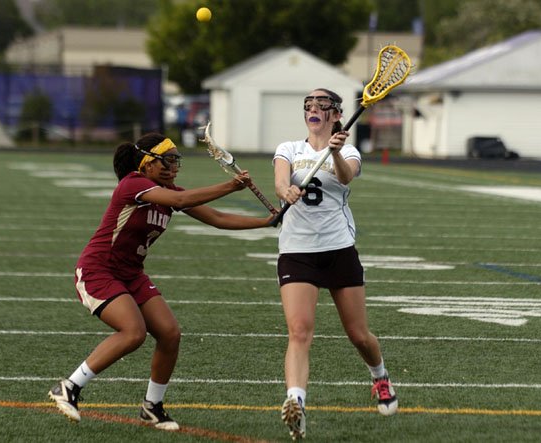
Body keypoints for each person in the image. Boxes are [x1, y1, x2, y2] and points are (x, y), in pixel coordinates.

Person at [48, 133, 273, 431]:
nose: (173, 167)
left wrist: (267, 222)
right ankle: (69, 387)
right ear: (146, 162)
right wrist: (231, 185)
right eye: (166, 160)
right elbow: (181, 199)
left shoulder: (168, 191)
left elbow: (217, 218)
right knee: (133, 332)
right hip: (99, 270)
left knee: (170, 334)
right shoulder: (134, 183)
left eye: (176, 161)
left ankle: (152, 407)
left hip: (131, 273)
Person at [273, 89, 398, 440]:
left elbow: (345, 176)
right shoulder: (289, 149)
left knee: (359, 335)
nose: (313, 110)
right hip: (297, 251)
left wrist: (336, 151)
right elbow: (281, 180)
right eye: (308, 105)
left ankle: (380, 377)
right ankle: (296, 402)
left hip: (338, 248)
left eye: (321, 106)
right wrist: (286, 192)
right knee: (299, 331)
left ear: (336, 114)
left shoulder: (349, 150)